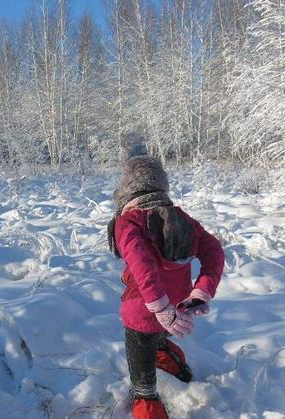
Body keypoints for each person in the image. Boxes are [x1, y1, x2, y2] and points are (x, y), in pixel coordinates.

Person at [107, 154, 224, 419]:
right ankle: (165, 355)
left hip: (144, 312)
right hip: (179, 306)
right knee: (158, 335)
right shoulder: (180, 217)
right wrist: (201, 292)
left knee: (142, 378)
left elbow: (142, 265)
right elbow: (214, 250)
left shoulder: (128, 221)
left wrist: (160, 308)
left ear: (127, 187)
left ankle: (146, 403)